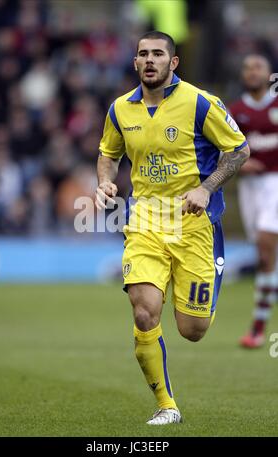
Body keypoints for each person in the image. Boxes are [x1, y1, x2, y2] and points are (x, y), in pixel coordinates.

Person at [95, 31, 249, 425]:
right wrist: (104, 181)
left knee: (192, 329)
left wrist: (206, 187)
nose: (150, 60)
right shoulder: (119, 110)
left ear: (173, 62)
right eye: (143, 54)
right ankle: (167, 405)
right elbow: (108, 154)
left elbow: (239, 149)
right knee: (144, 312)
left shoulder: (200, 102)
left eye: (158, 54)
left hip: (195, 224)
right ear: (134, 63)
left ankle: (206, 287)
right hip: (145, 221)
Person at [229, 55, 278, 349]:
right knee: (263, 257)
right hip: (249, 187)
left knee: (264, 244)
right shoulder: (235, 111)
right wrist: (240, 164)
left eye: (257, 67)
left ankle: (258, 329)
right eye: (247, 68)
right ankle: (258, 327)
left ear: (269, 73)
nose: (252, 72)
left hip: (276, 181)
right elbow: (226, 150)